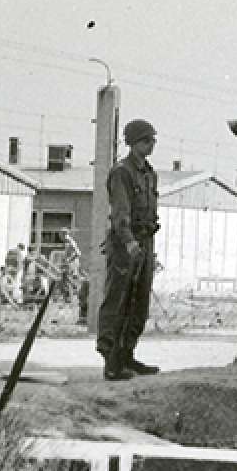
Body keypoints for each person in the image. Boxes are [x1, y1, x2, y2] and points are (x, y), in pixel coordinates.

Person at [97, 118, 162, 381]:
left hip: (145, 241)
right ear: (133, 143)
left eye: (153, 140)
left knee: (139, 302)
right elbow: (120, 213)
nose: (151, 145)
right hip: (126, 244)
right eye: (147, 140)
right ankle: (111, 361)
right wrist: (130, 242)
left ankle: (127, 355)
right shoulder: (122, 172)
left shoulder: (149, 173)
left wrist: (145, 246)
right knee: (119, 300)